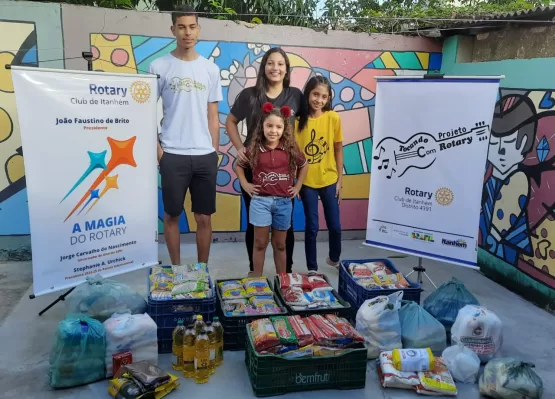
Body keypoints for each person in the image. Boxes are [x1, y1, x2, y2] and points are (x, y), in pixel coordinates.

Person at [149, 5, 222, 265]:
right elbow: (146, 113)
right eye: (181, 27)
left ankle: (201, 270)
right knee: (171, 216)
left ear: (198, 30)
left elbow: (213, 117)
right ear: (173, 29)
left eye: (192, 27)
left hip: (204, 155)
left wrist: (214, 151)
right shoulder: (158, 66)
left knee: (204, 218)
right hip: (172, 155)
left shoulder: (210, 70)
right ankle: (176, 270)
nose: (187, 32)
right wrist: (159, 152)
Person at [225, 47, 303, 274]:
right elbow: (230, 121)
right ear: (264, 66)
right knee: (255, 225)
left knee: (285, 228)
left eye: (280, 64)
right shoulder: (249, 95)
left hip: (284, 172)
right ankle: (254, 272)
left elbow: (310, 121)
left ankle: (285, 273)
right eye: (271, 63)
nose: (275, 68)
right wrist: (240, 148)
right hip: (255, 172)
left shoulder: (295, 95)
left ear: (286, 69)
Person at [234, 103, 308, 277]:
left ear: (284, 129)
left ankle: (282, 281)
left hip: (283, 203)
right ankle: (257, 279)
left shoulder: (290, 148)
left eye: (278, 127)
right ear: (262, 126)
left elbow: (304, 165)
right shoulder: (254, 148)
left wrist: (297, 186)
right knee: (259, 243)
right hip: (260, 202)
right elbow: (239, 166)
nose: (273, 130)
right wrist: (245, 184)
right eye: (269, 126)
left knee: (280, 244)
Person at [295, 76, 344, 272]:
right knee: (312, 227)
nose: (319, 100)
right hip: (307, 183)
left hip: (330, 180)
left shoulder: (333, 118)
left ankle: (334, 258)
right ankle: (312, 268)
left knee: (335, 226)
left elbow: (338, 149)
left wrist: (340, 180)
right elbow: (294, 156)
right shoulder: (297, 122)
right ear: (308, 93)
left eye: (324, 96)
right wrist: (297, 183)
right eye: (316, 94)